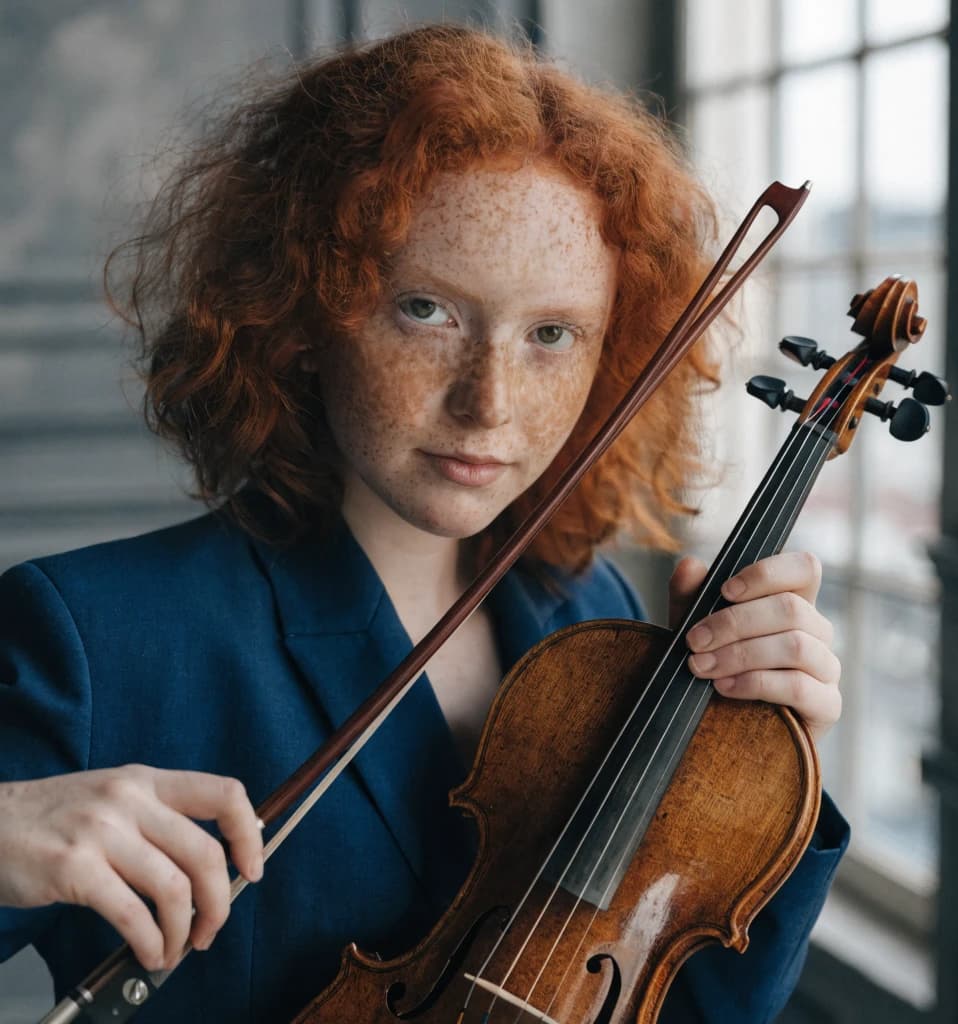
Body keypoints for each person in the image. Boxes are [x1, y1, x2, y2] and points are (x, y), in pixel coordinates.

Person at [0, 23, 846, 1023]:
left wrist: (757, 762)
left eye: (550, 333)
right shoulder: (95, 637)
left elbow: (679, 1001)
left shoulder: (589, 616)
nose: (489, 401)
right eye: (426, 310)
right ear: (305, 315)